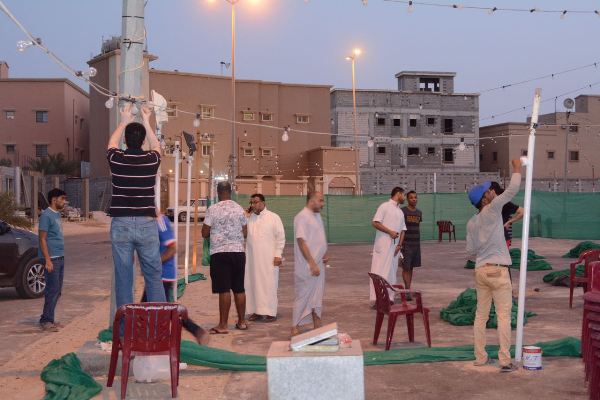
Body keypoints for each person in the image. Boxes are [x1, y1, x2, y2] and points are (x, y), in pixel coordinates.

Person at [107, 103, 166, 311]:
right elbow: (157, 146)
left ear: (125, 140)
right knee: (153, 276)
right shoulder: (151, 160)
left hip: (121, 223)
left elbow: (111, 143)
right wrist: (147, 120)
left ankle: (125, 327)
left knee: (123, 278)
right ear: (143, 141)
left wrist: (123, 121)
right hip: (146, 223)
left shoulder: (117, 160)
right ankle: (158, 324)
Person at [466, 159, 523, 373]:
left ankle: (480, 357)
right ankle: (505, 360)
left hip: (481, 270)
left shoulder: (472, 222)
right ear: (484, 199)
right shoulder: (493, 209)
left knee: (481, 316)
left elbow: (470, 251)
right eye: (488, 191)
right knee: (503, 316)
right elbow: (512, 190)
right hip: (498, 271)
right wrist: (517, 168)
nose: (492, 192)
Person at [140, 214, 209, 345]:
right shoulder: (151, 221)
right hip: (157, 274)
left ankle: (197, 331)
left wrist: (153, 263)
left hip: (163, 275)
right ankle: (196, 331)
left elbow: (172, 248)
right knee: (151, 309)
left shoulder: (160, 220)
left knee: (151, 310)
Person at [202, 181, 248, 334]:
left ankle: (223, 325)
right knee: (239, 288)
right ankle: (242, 322)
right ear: (230, 192)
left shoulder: (213, 209)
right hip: (238, 252)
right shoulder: (239, 208)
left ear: (218, 192)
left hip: (220, 253)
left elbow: (204, 233)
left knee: (224, 289)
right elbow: (245, 233)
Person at [291, 192, 329, 337]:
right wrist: (312, 263)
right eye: (320, 201)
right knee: (303, 294)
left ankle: (317, 321)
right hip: (307, 265)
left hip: (318, 263)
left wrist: (323, 253)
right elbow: (301, 241)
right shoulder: (302, 217)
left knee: (317, 294)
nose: (323, 204)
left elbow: (318, 237)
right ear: (312, 201)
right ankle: (294, 326)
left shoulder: (317, 216)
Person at [245, 194, 286, 323]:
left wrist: (278, 254)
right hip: (252, 260)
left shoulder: (273, 217)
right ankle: (256, 311)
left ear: (263, 202)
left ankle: (270, 312)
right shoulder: (249, 218)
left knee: (269, 285)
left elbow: (280, 237)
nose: (253, 205)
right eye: (252, 202)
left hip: (269, 259)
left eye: (256, 202)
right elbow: (243, 234)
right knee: (252, 284)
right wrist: (245, 217)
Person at [369, 187, 407, 303]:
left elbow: (403, 230)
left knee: (392, 273)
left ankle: (389, 299)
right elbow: (375, 222)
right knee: (379, 272)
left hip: (395, 249)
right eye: (403, 195)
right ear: (398, 194)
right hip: (383, 246)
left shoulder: (400, 212)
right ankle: (377, 299)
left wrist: (399, 245)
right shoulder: (384, 206)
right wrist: (390, 232)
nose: (404, 197)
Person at [38, 188, 67, 332]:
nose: (64, 202)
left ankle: (49, 318)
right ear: (54, 199)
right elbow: (42, 239)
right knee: (52, 290)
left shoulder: (56, 215)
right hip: (52, 259)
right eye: (62, 198)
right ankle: (46, 321)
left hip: (60, 257)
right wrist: (47, 260)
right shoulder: (46, 215)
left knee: (57, 291)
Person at [490, 181, 524, 248]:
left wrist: (509, 222)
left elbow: (523, 211)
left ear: (493, 191)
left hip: (502, 239)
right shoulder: (491, 203)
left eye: (487, 191)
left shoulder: (504, 203)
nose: (485, 194)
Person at [401, 191, 422, 291]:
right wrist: (400, 244)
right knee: (406, 267)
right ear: (407, 199)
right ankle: (407, 290)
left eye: (415, 197)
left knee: (411, 267)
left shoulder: (419, 213)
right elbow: (400, 228)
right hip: (406, 244)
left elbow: (418, 226)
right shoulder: (402, 211)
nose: (414, 199)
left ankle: (408, 288)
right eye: (411, 197)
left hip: (416, 244)